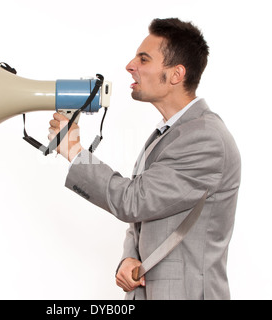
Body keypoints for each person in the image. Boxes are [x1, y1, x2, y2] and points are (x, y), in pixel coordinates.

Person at [48, 18, 241, 300]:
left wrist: (75, 153)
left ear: (176, 75)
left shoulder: (205, 138)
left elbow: (133, 201)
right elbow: (146, 213)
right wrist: (129, 258)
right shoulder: (171, 132)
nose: (130, 65)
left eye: (144, 59)